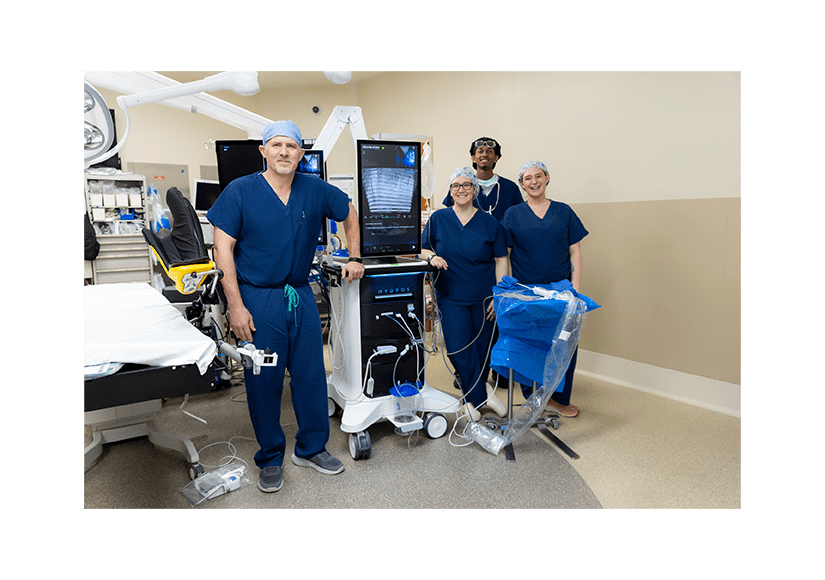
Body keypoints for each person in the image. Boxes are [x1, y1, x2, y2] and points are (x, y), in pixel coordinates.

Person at [207, 120, 365, 493]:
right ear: (263, 151)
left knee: (311, 374)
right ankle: (271, 456)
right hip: (258, 298)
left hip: (299, 294)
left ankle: (312, 448)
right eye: (275, 145)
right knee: (264, 379)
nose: (283, 152)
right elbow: (222, 250)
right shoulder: (240, 191)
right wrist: (236, 306)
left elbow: (350, 213)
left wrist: (354, 256)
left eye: (290, 146)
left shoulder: (313, 189)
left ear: (300, 154)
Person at [501, 160, 588, 418]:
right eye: (527, 178)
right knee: (531, 343)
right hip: (526, 291)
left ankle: (560, 399)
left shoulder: (564, 212)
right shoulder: (513, 214)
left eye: (538, 176)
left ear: (547, 178)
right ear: (522, 184)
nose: (534, 182)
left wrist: (576, 286)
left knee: (564, 344)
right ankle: (533, 395)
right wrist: (509, 288)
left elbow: (576, 251)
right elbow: (505, 255)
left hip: (560, 290)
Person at [422, 167, 509, 421]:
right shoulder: (439, 219)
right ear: (450, 191)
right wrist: (434, 257)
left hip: (484, 298)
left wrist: (499, 294)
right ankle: (483, 396)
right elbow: (423, 250)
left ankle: (471, 401)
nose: (461, 190)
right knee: (458, 349)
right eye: (456, 186)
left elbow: (501, 259)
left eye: (466, 185)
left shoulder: (489, 222)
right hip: (451, 297)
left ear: (474, 189)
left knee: (483, 349)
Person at [441, 137, 524, 222]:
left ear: (496, 158)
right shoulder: (461, 187)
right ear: (473, 158)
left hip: (502, 235)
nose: (484, 154)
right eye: (480, 151)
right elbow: (450, 216)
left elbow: (520, 217)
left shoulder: (510, 188)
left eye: (489, 151)